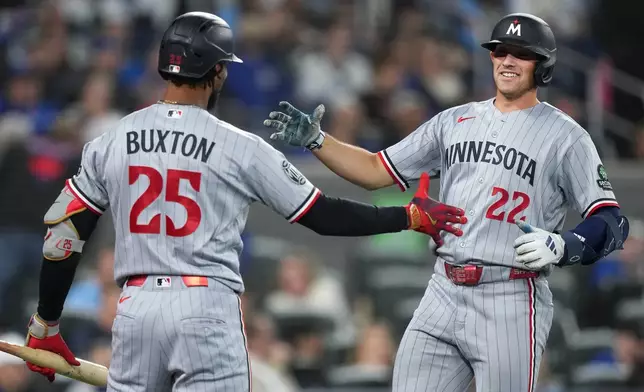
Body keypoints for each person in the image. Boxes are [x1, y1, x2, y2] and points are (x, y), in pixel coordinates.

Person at [21, 12, 467, 392]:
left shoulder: (110, 139)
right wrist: (406, 216)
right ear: (216, 72)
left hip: (134, 308)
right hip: (205, 305)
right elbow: (324, 216)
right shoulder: (238, 145)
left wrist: (45, 326)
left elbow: (63, 235)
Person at [264, 12, 630, 392]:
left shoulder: (567, 137)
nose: (507, 60)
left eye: (521, 54)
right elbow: (375, 169)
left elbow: (612, 221)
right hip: (443, 286)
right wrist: (318, 141)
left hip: (510, 293)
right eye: (500, 51)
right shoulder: (454, 121)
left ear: (544, 65)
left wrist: (562, 245)